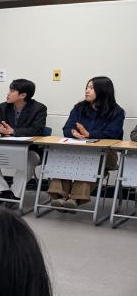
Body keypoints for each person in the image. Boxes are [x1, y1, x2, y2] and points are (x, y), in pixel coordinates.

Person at [47, 77, 124, 209]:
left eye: (91, 88)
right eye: (86, 87)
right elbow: (67, 128)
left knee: (89, 158)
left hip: (106, 153)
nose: (87, 91)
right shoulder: (79, 108)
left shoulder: (117, 112)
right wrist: (73, 133)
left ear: (103, 91)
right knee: (63, 156)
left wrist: (89, 134)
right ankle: (60, 196)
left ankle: (75, 199)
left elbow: (113, 134)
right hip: (79, 150)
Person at [0, 79, 47, 200]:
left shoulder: (39, 108)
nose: (8, 93)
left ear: (23, 95)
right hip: (7, 148)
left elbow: (37, 130)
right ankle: (3, 190)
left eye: (12, 91)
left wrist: (14, 132)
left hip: (30, 150)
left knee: (29, 160)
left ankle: (15, 195)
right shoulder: (3, 107)